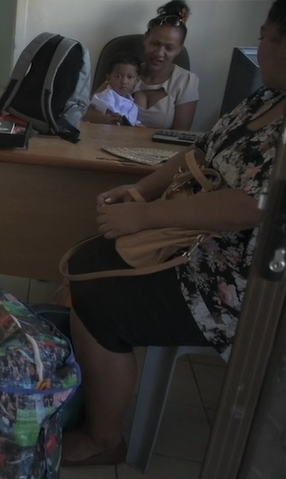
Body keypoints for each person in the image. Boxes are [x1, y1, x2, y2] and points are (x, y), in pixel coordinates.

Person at [61, 0, 286, 467]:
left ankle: (106, 439)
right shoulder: (267, 97)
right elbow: (197, 153)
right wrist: (138, 192)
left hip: (234, 285)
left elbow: (254, 205)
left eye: (264, 37)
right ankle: (91, 385)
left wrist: (146, 219)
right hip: (187, 243)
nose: (258, 47)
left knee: (95, 300)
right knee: (83, 264)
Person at [88, 1, 199, 130]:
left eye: (169, 48)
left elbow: (180, 136)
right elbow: (86, 114)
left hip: (160, 149)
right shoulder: (125, 73)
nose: (159, 53)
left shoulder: (186, 81)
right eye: (155, 44)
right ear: (145, 39)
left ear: (179, 49)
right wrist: (107, 119)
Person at [83, 53, 146, 126]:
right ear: (108, 78)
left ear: (136, 81)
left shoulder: (132, 104)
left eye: (130, 77)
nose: (124, 82)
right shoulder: (107, 95)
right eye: (118, 76)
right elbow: (109, 115)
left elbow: (132, 122)